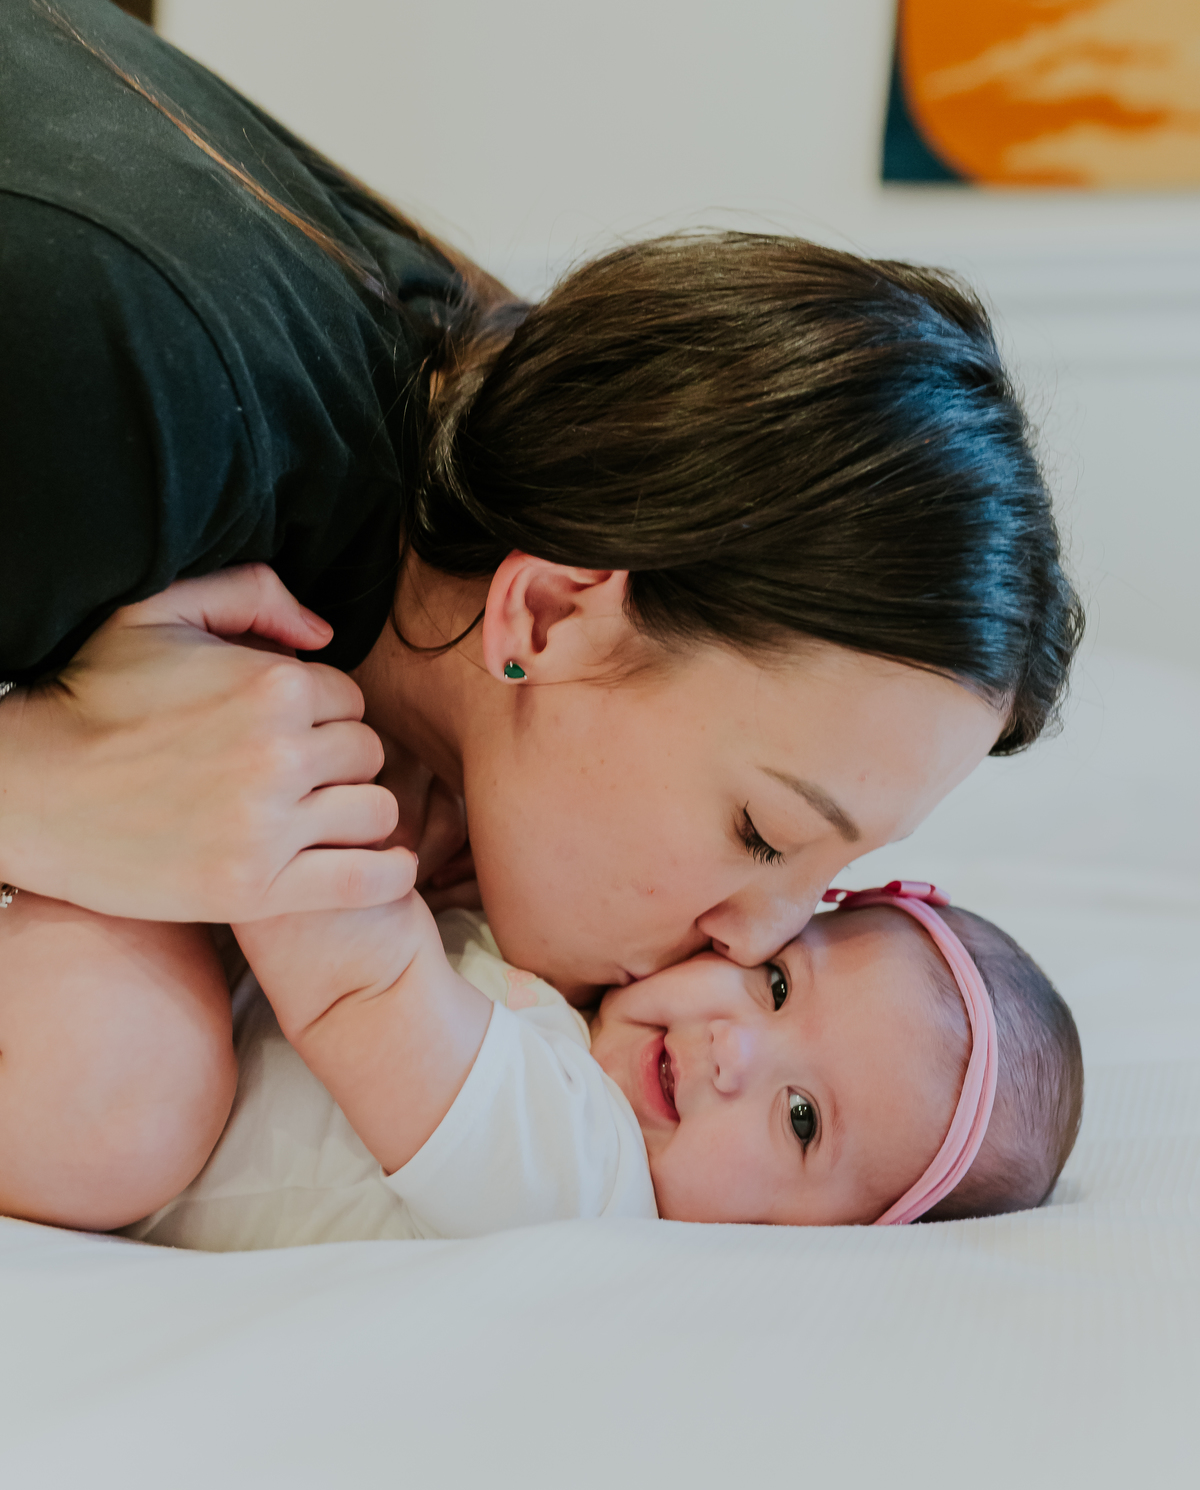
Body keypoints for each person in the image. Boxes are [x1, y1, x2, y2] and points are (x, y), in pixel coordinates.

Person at [0, 0, 1082, 1222]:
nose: (751, 941)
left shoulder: (420, 412)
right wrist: (28, 790)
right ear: (554, 616)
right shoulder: (129, 403)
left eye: (835, 880)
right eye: (762, 834)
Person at [105, 867, 1081, 1250]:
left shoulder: (589, 1184)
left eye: (801, 1119)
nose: (731, 1049)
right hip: (165, 942)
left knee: (129, 1074)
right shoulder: (576, 989)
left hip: (114, 1110)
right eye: (777, 984)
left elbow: (357, 983)